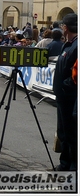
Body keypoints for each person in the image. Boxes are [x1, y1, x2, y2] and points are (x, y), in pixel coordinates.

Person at [53, 13, 78, 171]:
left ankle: (73, 168)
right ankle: (64, 163)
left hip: (71, 98)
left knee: (72, 135)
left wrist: (65, 86)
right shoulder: (67, 44)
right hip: (62, 98)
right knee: (63, 133)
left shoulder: (76, 46)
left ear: (65, 27)